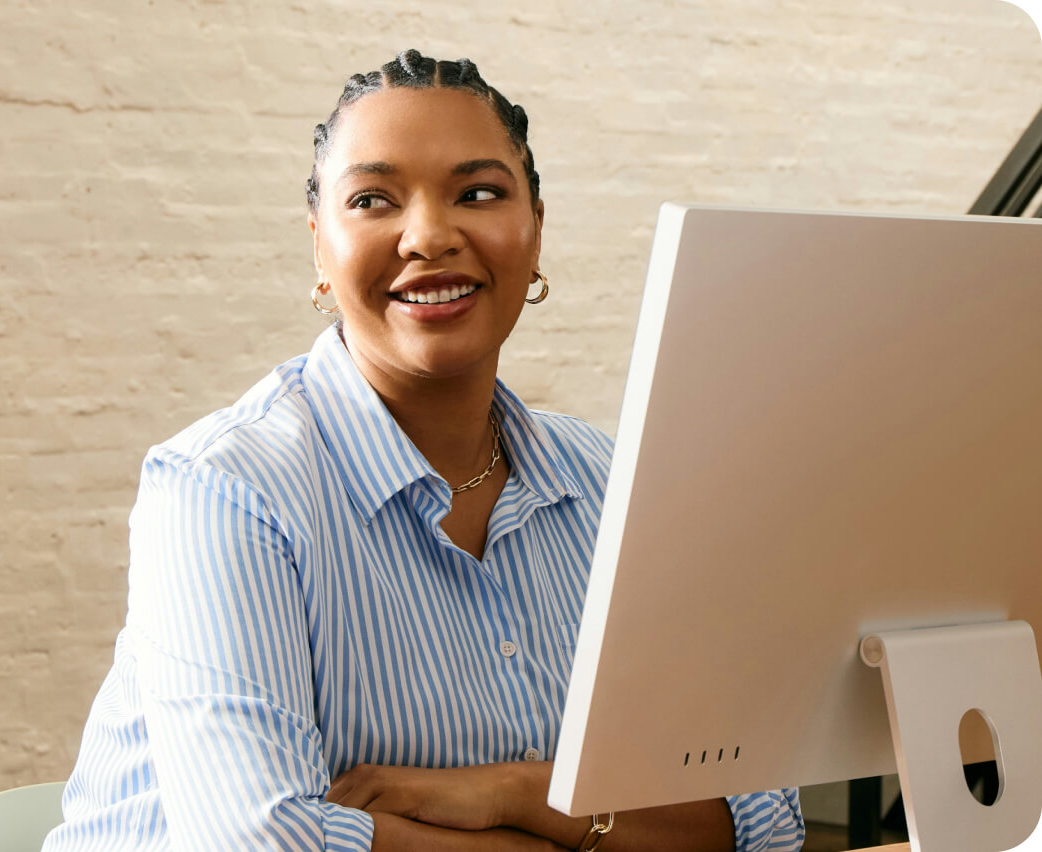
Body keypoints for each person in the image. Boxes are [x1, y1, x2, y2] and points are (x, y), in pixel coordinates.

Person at [43, 50, 805, 852]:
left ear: (536, 230)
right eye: (373, 200)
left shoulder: (612, 485)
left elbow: (760, 813)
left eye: (478, 194)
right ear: (319, 247)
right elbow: (263, 845)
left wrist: (512, 795)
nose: (430, 237)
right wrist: (593, 830)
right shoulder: (227, 493)